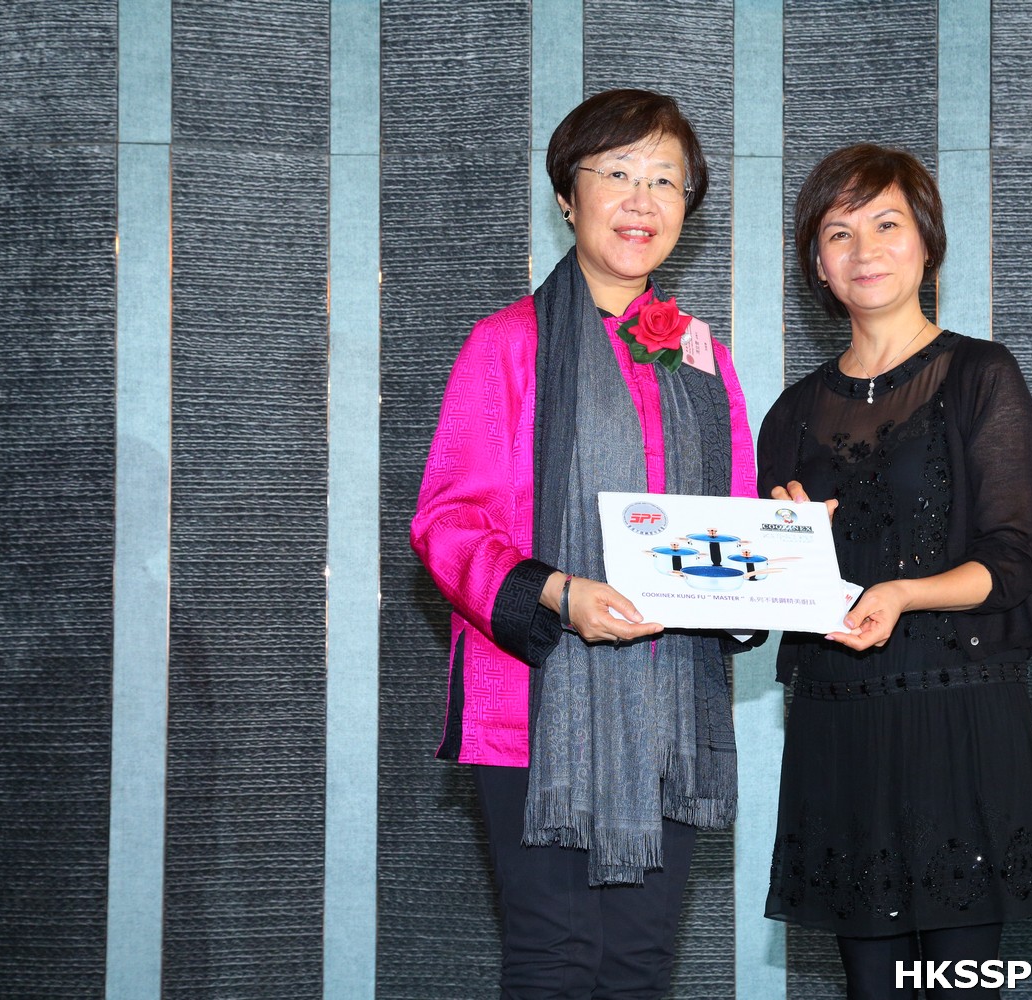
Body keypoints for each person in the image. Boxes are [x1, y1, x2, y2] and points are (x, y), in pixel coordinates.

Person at [411, 88, 756, 1000]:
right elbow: (447, 521)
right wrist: (560, 594)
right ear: (568, 197)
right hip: (533, 706)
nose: (642, 200)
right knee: (557, 961)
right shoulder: (507, 344)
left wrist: (777, 556)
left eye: (666, 180)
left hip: (668, 708)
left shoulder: (702, 358)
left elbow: (733, 515)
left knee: (639, 966)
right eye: (618, 174)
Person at [758, 144, 1032, 999]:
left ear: (927, 241)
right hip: (839, 720)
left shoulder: (982, 375)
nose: (865, 250)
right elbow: (773, 590)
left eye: (887, 224)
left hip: (958, 712)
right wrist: (786, 548)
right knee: (872, 987)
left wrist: (900, 593)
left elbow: (1012, 562)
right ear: (817, 266)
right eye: (839, 233)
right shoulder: (789, 413)